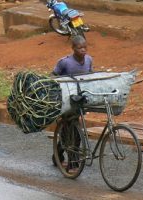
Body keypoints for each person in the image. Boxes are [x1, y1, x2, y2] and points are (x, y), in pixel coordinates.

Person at [52, 35, 93, 171]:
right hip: (66, 101)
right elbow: (53, 76)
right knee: (70, 130)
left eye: (85, 47)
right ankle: (72, 162)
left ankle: (57, 156)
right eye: (79, 47)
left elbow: (90, 76)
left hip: (79, 100)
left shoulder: (88, 60)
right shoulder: (65, 62)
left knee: (72, 130)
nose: (83, 50)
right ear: (73, 48)